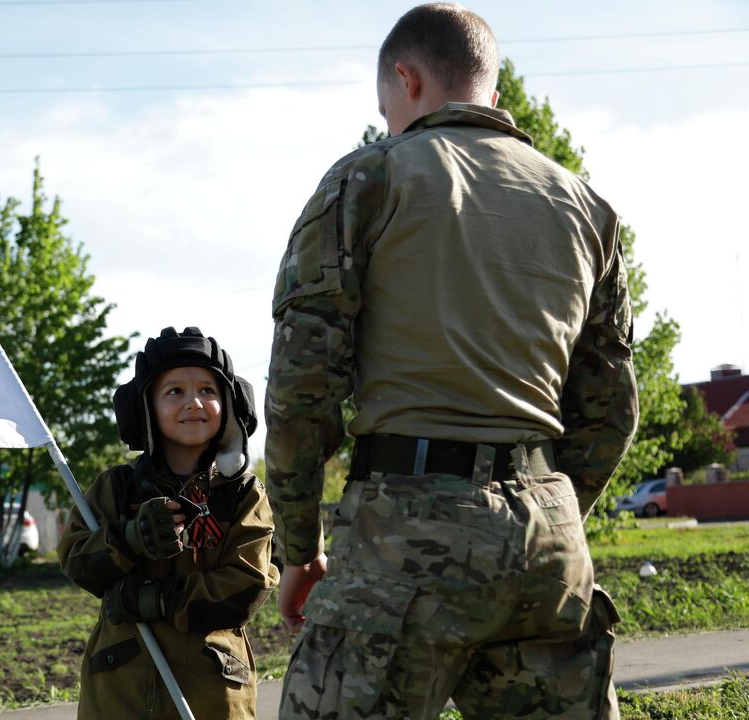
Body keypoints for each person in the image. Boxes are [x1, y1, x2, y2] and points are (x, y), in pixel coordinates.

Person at [266, 4, 638, 719]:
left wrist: (298, 546)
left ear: (405, 80)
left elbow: (301, 387)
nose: (387, 124)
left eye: (386, 109)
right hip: (548, 552)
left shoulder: (369, 178)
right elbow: (613, 410)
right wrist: (549, 508)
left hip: (402, 545)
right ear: (490, 93)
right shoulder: (586, 208)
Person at [58, 327, 280, 719]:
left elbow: (247, 584)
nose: (193, 402)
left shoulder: (243, 494)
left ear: (230, 403)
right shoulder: (117, 488)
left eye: (208, 391)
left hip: (212, 691)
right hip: (121, 688)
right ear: (144, 407)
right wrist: (128, 539)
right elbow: (77, 561)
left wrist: (159, 599)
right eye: (174, 391)